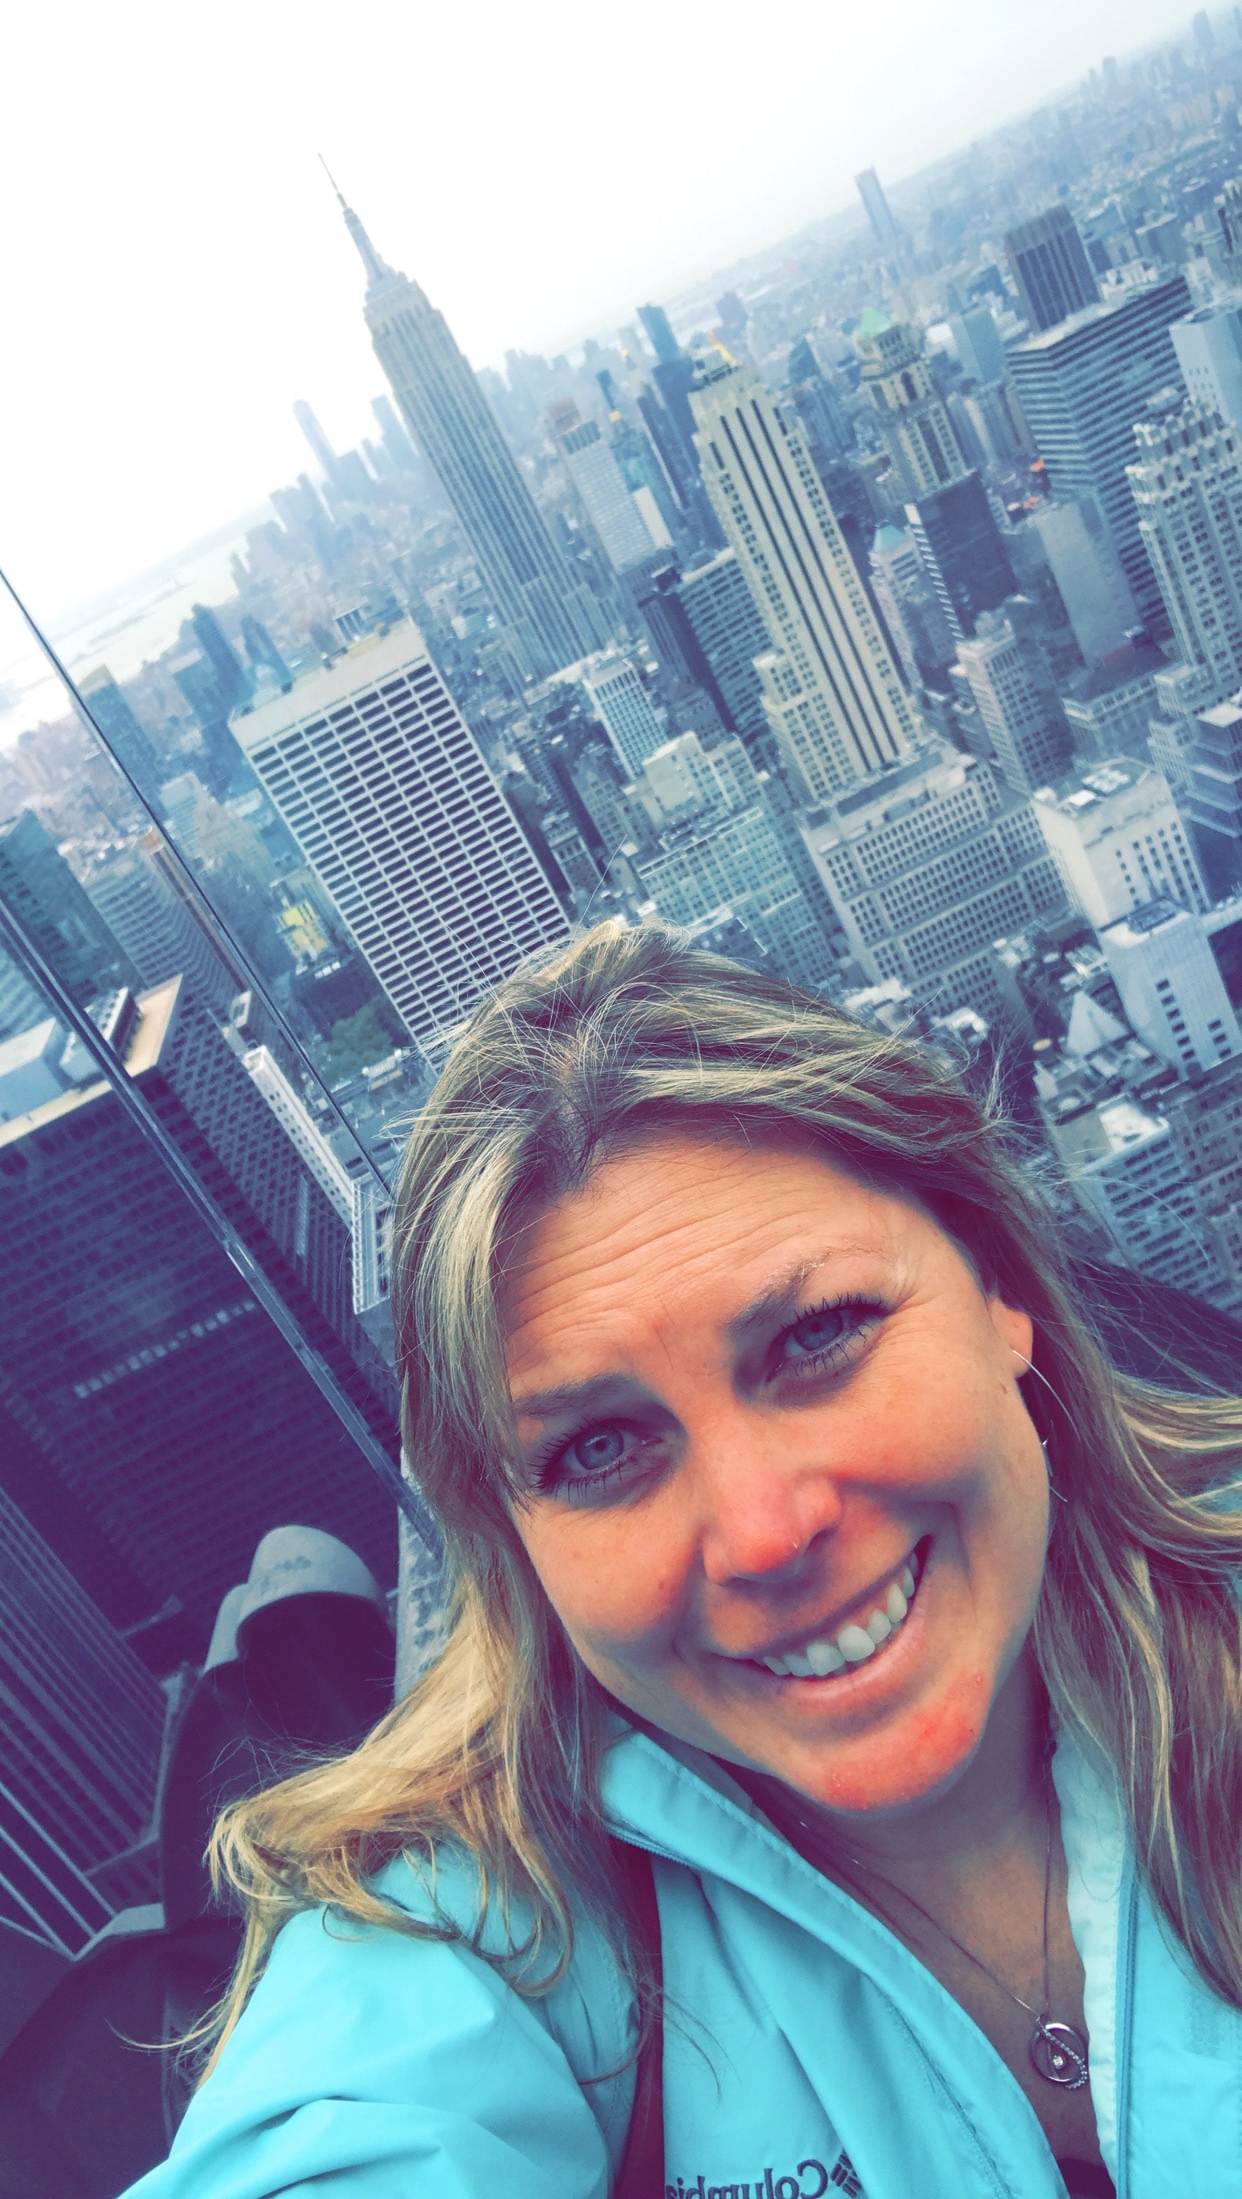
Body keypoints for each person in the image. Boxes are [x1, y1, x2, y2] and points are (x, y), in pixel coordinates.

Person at [124, 923, 1242, 2199]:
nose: (766, 1533)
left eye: (819, 1335)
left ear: (999, 1292)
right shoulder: (470, 1939)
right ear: (511, 1539)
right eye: (598, 1449)